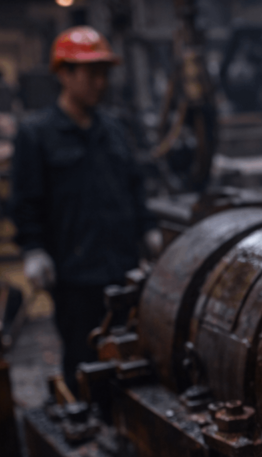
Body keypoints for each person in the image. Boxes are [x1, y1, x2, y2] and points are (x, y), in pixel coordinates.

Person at [11, 26, 161, 395]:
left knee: (132, 358)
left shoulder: (112, 129)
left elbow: (133, 186)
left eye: (104, 73)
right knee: (84, 358)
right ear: (64, 73)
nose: (100, 82)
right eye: (91, 73)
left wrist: (148, 230)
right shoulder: (36, 134)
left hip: (123, 270)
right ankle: (88, 430)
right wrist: (33, 249)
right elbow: (26, 201)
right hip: (76, 277)